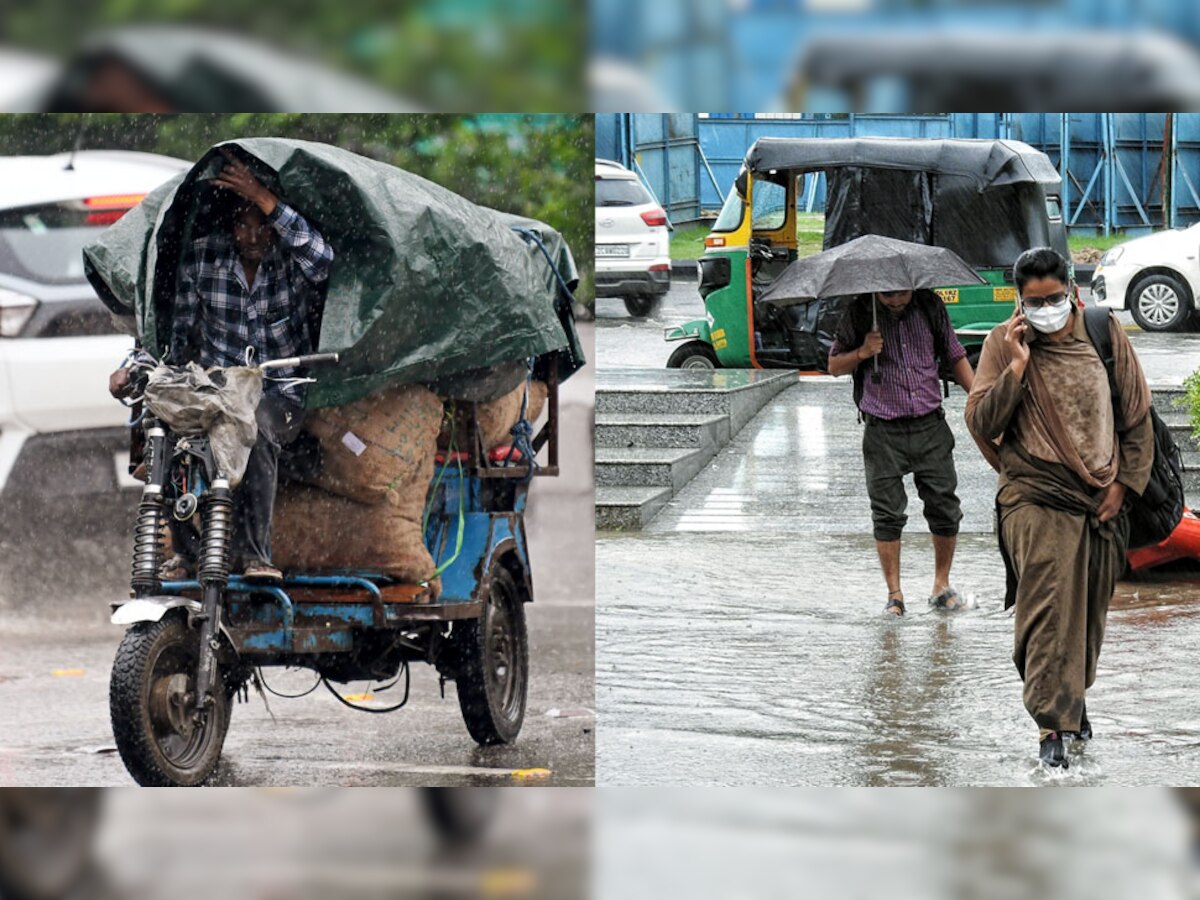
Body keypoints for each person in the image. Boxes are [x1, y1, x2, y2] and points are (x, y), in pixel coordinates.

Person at [964, 246, 1153, 769]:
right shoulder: (1005, 343)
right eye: (1032, 302)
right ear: (1019, 302)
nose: (1044, 309)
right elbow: (980, 421)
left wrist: (1123, 488)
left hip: (1100, 499)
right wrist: (1018, 367)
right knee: (1047, 610)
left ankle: (1072, 697)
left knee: (1087, 614)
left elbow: (1136, 419)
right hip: (1034, 494)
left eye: (1053, 299)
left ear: (1070, 291)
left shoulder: (1101, 332)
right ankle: (1051, 726)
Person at [110, 150, 333, 582]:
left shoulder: (289, 262)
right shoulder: (204, 261)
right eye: (242, 225)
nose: (251, 237)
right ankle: (190, 552)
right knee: (166, 433)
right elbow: (175, 337)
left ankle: (256, 555)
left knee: (255, 428)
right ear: (230, 227)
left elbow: (322, 260)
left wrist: (262, 196)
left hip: (278, 390)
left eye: (260, 226)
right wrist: (134, 367)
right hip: (216, 388)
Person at [827, 287, 975, 617]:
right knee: (887, 514)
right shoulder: (860, 311)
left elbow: (954, 354)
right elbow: (834, 365)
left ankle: (941, 584)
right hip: (883, 431)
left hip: (930, 425)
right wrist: (863, 351)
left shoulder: (929, 305)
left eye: (902, 294)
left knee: (945, 507)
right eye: (888, 295)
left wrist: (979, 397)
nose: (896, 300)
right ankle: (895, 595)